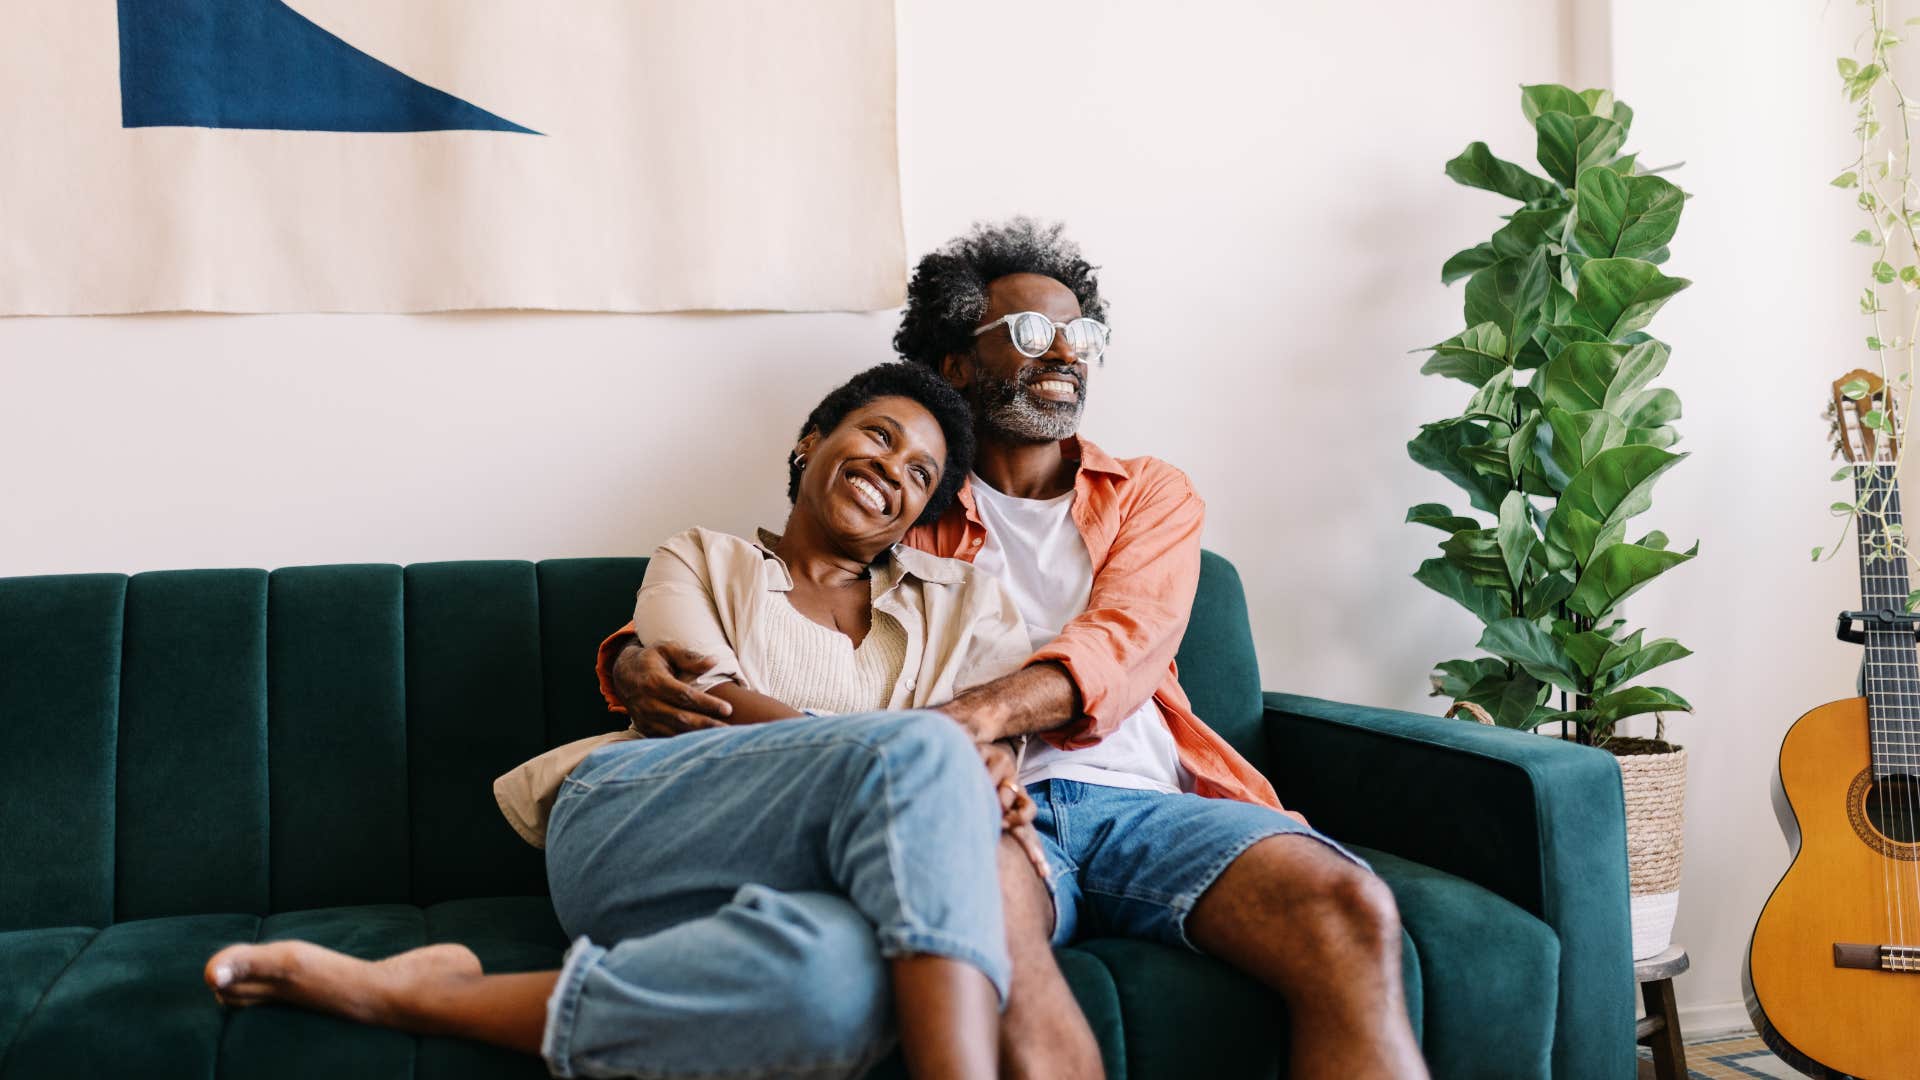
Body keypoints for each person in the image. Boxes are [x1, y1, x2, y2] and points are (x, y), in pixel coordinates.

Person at [608, 219, 1430, 1080]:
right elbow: (804, 588)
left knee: (1350, 908)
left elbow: (1126, 640)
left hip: (1150, 801)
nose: (1066, 354)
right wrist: (633, 654)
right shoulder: (910, 493)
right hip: (985, 809)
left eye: (1082, 335)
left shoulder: (1148, 492)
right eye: (1034, 334)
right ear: (957, 362)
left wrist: (966, 720)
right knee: (994, 955)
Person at [203, 363, 1071, 1080]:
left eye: (921, 473)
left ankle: (414, 994)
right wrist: (906, 757)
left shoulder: (970, 604)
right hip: (648, 816)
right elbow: (710, 701)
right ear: (811, 443)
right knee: (925, 749)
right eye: (878, 435)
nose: (894, 468)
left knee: (834, 984)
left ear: (921, 515)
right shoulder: (700, 555)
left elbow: (992, 742)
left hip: (842, 879)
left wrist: (942, 769)